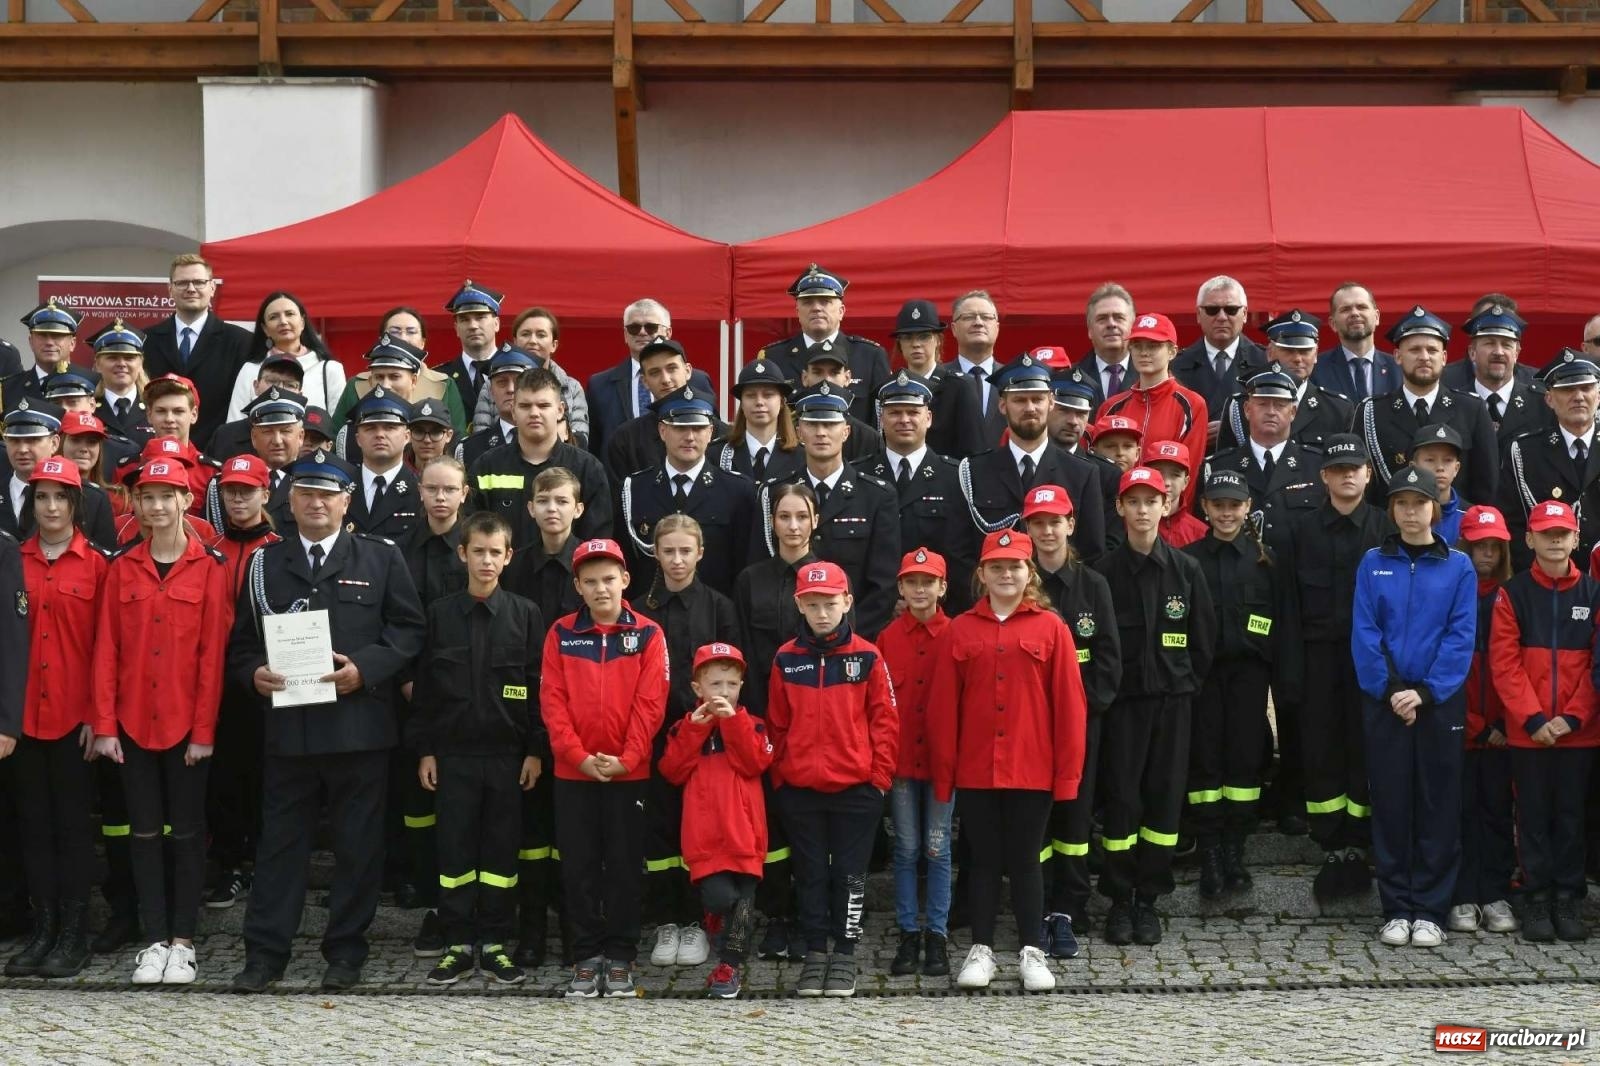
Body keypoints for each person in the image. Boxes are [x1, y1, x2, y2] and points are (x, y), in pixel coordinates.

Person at [228, 450, 426, 993]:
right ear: (289, 502)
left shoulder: (380, 558)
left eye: (327, 494)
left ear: (346, 501)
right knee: (279, 847)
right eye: (306, 493)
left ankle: (345, 951)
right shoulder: (265, 564)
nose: (316, 502)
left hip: (358, 727)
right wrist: (252, 674)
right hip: (289, 730)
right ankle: (265, 954)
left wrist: (366, 669)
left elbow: (409, 630)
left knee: (358, 847)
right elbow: (242, 644)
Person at [91, 457, 233, 985]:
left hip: (185, 725)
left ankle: (183, 942)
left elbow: (212, 657)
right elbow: (106, 649)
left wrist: (204, 732)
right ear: (136, 504)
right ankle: (153, 940)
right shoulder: (122, 566)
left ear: (186, 501)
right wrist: (105, 725)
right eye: (147, 497)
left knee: (188, 833)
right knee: (144, 833)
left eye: (166, 496)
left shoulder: (210, 567)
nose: (156, 506)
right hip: (132, 722)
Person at [928, 527, 1087, 993]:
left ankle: (1032, 950)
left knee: (1025, 859)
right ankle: (981, 948)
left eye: (1014, 566)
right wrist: (945, 774)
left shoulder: (1052, 628)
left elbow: (1070, 707)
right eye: (996, 567)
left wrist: (1066, 777)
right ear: (982, 574)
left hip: (1031, 768)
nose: (1005, 575)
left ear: (1028, 572)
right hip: (976, 767)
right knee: (981, 860)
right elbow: (942, 709)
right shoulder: (960, 630)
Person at [408, 510, 543, 986]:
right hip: (453, 758)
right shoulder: (440, 615)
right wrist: (426, 750)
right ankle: (458, 944)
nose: (487, 561)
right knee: (455, 854)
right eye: (478, 552)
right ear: (462, 553)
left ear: (509, 557)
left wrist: (535, 750)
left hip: (508, 759)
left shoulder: (526, 615)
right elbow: (425, 691)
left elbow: (537, 685)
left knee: (501, 855)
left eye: (495, 553)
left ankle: (495, 943)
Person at [1353, 465, 1476, 949]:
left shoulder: (1458, 566)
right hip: (1386, 703)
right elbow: (1365, 632)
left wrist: (1425, 692)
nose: (1410, 512)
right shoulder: (1372, 562)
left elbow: (1460, 636)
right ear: (1391, 510)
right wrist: (1391, 690)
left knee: (1437, 804)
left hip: (1437, 704)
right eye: (1401, 503)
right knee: (1390, 804)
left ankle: (1430, 909)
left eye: (1419, 503)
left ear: (1434, 508)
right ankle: (1396, 908)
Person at [541, 538, 668, 999]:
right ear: (577, 585)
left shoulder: (649, 634)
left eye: (609, 579)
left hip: (628, 773)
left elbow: (651, 704)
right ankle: (585, 956)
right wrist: (576, 756)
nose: (601, 589)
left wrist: (628, 759)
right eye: (590, 581)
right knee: (578, 868)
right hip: (572, 774)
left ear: (625, 580)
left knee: (624, 868)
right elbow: (552, 702)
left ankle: (620, 956)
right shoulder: (560, 634)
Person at [1094, 466, 1215, 945]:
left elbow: (1202, 644)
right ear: (1119, 508)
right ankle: (1119, 899)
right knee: (1122, 801)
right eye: (1134, 501)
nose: (1143, 510)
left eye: (1152, 501)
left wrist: (1180, 688)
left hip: (1172, 706)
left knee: (1164, 801)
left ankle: (1149, 899)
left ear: (1166, 505)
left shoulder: (1187, 571)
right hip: (1123, 709)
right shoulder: (1103, 575)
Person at [766, 560, 897, 998]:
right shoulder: (786, 659)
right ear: (799, 605)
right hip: (800, 790)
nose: (822, 613)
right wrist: (783, 777)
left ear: (847, 601)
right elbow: (777, 724)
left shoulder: (867, 656)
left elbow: (885, 721)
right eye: (813, 605)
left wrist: (878, 780)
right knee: (809, 874)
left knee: (850, 875)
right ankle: (815, 950)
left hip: (856, 790)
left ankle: (844, 952)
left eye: (830, 603)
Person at [5, 458, 106, 979]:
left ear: (75, 504)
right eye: (41, 496)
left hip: (73, 718)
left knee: (71, 828)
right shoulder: (11, 560)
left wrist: (96, 715)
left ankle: (74, 933)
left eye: (60, 497)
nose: (50, 507)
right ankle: (43, 929)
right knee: (33, 827)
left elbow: (106, 649)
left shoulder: (97, 565)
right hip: (22, 718)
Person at [1489, 498, 1598, 943]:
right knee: (1532, 817)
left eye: (1563, 533)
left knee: (1571, 817)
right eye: (1546, 534)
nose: (1555, 540)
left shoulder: (1593, 593)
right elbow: (1505, 664)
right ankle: (1535, 898)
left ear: (1576, 538)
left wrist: (1572, 718)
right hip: (1528, 734)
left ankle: (1568, 898)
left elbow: (1596, 667)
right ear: (1529, 539)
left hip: (1579, 733)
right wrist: (1533, 719)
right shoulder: (1512, 593)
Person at [634, 514, 738, 969]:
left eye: (685, 551)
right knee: (659, 829)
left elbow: (733, 677)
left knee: (699, 828)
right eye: (668, 551)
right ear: (655, 554)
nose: (677, 560)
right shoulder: (638, 611)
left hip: (706, 738)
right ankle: (666, 920)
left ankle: (697, 921)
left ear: (700, 553)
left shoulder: (719, 608)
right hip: (655, 738)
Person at [1184, 469, 1290, 898]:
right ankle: (1210, 851)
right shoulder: (1188, 561)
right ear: (1205, 508)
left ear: (1248, 508)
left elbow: (1281, 624)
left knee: (1245, 762)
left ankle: (1235, 851)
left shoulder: (1267, 562)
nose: (1226, 513)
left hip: (1250, 677)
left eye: (1234, 505)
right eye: (1218, 505)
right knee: (1205, 762)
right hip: (1204, 677)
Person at [1024, 485, 1120, 958]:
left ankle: (1071, 905)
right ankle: (1038, 903)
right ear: (1027, 529)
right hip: (1030, 727)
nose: (1047, 531)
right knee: (1038, 819)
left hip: (1082, 724)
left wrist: (1084, 711)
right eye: (1038, 523)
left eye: (1055, 522)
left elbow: (1108, 659)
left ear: (1071, 525)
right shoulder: (1020, 583)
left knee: (1077, 815)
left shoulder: (1093, 585)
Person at [658, 642, 775, 999]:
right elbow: (672, 771)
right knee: (720, 897)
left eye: (732, 684)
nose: (724, 691)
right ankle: (715, 923)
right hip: (705, 838)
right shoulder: (683, 728)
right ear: (698, 688)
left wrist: (733, 723)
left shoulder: (753, 725)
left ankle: (729, 966)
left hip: (745, 834)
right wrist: (694, 731)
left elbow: (754, 763)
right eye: (715, 684)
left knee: (744, 901)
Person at [501, 466, 583, 968]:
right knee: (531, 835)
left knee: (574, 834)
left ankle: (577, 933)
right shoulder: (514, 568)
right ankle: (530, 932)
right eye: (544, 501)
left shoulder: (591, 565)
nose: (553, 509)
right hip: (527, 710)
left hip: (582, 712)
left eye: (562, 501)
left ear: (578, 508)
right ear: (530, 508)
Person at [732, 482, 817, 962]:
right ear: (772, 523)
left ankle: (810, 915)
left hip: (814, 720)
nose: (792, 526)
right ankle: (777, 915)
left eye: (801, 516)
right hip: (764, 717)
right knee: (770, 822)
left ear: (815, 522)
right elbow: (743, 649)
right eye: (784, 516)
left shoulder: (826, 576)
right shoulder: (750, 580)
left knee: (808, 820)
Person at [202, 454, 282, 912]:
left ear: (265, 493)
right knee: (224, 777)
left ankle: (259, 861)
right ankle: (229, 863)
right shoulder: (208, 546)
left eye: (247, 490)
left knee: (262, 776)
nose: (237, 498)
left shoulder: (278, 548)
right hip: (214, 678)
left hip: (261, 678)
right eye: (230, 490)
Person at [875, 547, 954, 979]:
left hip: (943, 763)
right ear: (901, 588)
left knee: (938, 848)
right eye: (912, 582)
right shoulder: (887, 639)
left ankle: (936, 934)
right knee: (906, 848)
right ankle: (909, 932)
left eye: (928, 582)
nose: (920, 589)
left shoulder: (957, 634)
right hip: (902, 763)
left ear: (943, 587)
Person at [958, 354, 1107, 562]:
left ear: (1051, 403)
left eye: (1037, 399)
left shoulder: (1081, 474)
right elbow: (961, 552)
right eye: (1020, 400)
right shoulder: (975, 471)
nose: (1030, 408)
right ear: (1002, 405)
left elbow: (1092, 554)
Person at [1449, 504, 1519, 937]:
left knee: (1496, 813)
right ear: (1465, 546)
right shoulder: (1450, 592)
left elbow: (1518, 668)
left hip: (1502, 732)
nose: (1487, 554)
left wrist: (1505, 725)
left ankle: (1494, 893)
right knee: (1457, 813)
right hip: (1460, 728)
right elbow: (1445, 670)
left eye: (1494, 546)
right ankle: (1460, 895)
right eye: (1479, 545)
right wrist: (1475, 724)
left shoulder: (1514, 595)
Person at [854, 372, 979, 613]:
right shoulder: (859, 475)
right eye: (894, 412)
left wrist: (928, 601)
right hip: (873, 616)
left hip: (942, 613)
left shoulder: (957, 477)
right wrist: (887, 602)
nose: (904, 420)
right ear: (881, 418)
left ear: (928, 418)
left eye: (913, 412)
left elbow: (962, 556)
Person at [619, 385, 755, 600]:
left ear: (710, 432)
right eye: (680, 428)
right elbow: (627, 562)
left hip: (714, 613)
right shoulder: (635, 488)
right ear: (662, 431)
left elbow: (744, 567)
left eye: (698, 428)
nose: (690, 437)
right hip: (650, 611)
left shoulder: (738, 490)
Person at [1356, 306, 1498, 508]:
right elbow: (1365, 488)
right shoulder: (1371, 412)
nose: (1424, 357)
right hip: (1391, 523)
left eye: (1432, 350)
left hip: (1456, 523)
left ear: (1444, 357)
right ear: (1397, 356)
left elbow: (1486, 485)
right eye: (1415, 350)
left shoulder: (1471, 409)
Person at [467, 367, 612, 547]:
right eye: (525, 406)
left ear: (560, 410)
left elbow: (597, 544)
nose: (534, 413)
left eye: (543, 406)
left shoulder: (587, 469)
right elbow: (472, 537)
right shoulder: (486, 468)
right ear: (513, 411)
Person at [755, 265, 892, 430]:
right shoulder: (773, 358)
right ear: (797, 311)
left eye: (825, 301)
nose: (816, 308)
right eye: (808, 302)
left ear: (841, 311)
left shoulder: (870, 356)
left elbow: (883, 422)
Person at [1500, 353, 1600, 569]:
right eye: (1567, 389)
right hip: (1546, 577)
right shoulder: (1524, 452)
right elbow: (1513, 524)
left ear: (1599, 395)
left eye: (1586, 388)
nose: (1578, 396)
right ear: (1549, 399)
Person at [1099, 313, 1208, 510]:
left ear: (1172, 351)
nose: (1144, 352)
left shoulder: (1192, 404)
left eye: (1153, 345)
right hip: (1117, 515)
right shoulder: (1111, 407)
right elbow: (1099, 468)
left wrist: (1171, 517)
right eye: (1137, 345)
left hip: (1169, 517)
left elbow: (1189, 474)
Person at [142, 254, 253, 447]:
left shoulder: (241, 342)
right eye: (182, 283)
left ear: (212, 288)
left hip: (218, 451)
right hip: (156, 449)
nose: (191, 289)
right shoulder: (145, 340)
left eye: (199, 282)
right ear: (170, 289)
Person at [1203, 368, 1323, 544]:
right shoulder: (1218, 467)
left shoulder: (1316, 465)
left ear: (1293, 412)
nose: (1271, 411)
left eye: (1280, 405)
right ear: (1247, 409)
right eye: (1262, 404)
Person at [586, 299, 714, 459]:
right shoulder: (599, 385)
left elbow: (712, 434)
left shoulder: (698, 380)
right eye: (634, 328)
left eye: (651, 327)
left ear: (668, 333)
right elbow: (594, 447)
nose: (642, 332)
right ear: (625, 335)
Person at [1218, 310, 1354, 455]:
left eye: (1305, 351)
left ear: (1315, 354)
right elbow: (1227, 462)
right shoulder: (1241, 406)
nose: (1297, 359)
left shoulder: (1338, 409)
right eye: (1289, 351)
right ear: (1270, 353)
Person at [606, 339, 727, 482]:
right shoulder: (626, 440)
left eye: (672, 368)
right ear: (645, 381)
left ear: (688, 371)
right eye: (655, 372)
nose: (665, 379)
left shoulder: (723, 435)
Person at [331, 312, 467, 440]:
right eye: (395, 331)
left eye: (411, 332)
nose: (403, 338)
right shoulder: (357, 384)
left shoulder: (444, 384)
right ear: (382, 340)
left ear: (423, 342)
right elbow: (337, 437)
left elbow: (456, 437)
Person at [2, 399, 117, 549]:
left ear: (55, 443)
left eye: (33, 440)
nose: (23, 449)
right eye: (14, 441)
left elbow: (104, 558)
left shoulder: (92, 498)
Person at [469, 306, 590, 446]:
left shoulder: (571, 387)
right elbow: (480, 440)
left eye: (541, 335)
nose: (532, 340)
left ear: (554, 345)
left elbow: (580, 441)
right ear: (515, 341)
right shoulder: (492, 384)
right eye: (525, 334)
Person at [887, 299, 986, 459]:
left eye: (924, 337)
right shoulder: (889, 388)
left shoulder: (960, 386)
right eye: (907, 337)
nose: (916, 344)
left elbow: (975, 450)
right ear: (899, 344)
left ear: (938, 340)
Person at [225, 292, 345, 419]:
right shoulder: (250, 370)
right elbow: (235, 423)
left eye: (289, 314)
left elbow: (339, 425)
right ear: (265, 329)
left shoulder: (330, 369)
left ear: (302, 322)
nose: (283, 321)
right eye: (273, 317)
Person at [1171, 275, 1268, 430]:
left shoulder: (1265, 362)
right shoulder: (1175, 365)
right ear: (1198, 315)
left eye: (1231, 310)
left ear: (1244, 314)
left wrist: (1234, 428)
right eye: (1212, 310)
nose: (1222, 317)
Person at [1442, 305, 1546, 444]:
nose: (1498, 352)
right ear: (1472, 352)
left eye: (1506, 345)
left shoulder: (1540, 404)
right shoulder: (1452, 406)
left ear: (1516, 353)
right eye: (1489, 343)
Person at [708, 359, 803, 483]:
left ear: (781, 402)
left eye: (768, 395)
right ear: (742, 403)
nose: (759, 402)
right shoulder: (716, 454)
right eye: (751, 395)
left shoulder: (802, 456)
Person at [205, 354, 306, 462]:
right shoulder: (226, 437)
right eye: (272, 381)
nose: (279, 388)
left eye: (290, 385)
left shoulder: (310, 438)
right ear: (256, 386)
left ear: (300, 394)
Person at [1310, 282, 1401, 403]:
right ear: (1333, 323)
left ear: (1377, 317)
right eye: (1345, 309)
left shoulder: (1399, 368)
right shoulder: (1315, 370)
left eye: (1362, 307)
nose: (1354, 313)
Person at [940, 290, 1008, 446]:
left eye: (986, 317)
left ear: (997, 327)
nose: (978, 322)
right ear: (954, 328)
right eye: (969, 317)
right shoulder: (938, 378)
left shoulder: (1012, 379)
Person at [455, 345, 536, 472]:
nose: (510, 389)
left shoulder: (548, 442)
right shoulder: (469, 449)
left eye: (518, 382)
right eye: (502, 382)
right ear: (491, 391)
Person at [436, 281, 506, 416]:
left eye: (480, 317)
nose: (473, 326)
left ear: (496, 324)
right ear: (456, 328)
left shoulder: (517, 373)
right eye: (464, 320)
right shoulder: (440, 378)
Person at [2, 300, 81, 406]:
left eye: (57, 336)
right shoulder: (7, 389)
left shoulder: (91, 387)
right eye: (42, 335)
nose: (49, 342)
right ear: (31, 342)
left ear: (72, 343)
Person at [1076, 283, 1137, 413]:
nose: (1111, 324)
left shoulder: (1152, 376)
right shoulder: (1072, 377)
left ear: (1133, 326)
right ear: (1090, 330)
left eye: (1119, 317)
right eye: (1102, 319)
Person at [91, 320, 152, 447]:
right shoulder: (88, 408)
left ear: (140, 363)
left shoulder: (154, 405)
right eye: (112, 358)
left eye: (129, 358)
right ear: (97, 364)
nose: (121, 364)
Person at [1410, 424, 1469, 544]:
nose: (1440, 467)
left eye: (1448, 460)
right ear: (1413, 467)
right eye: (1430, 460)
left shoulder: (1470, 516)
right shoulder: (1403, 514)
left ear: (1456, 468)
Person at [1143, 441, 1206, 549]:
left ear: (1185, 482)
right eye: (1158, 473)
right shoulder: (1129, 524)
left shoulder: (1201, 533)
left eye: (1175, 475)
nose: (1166, 482)